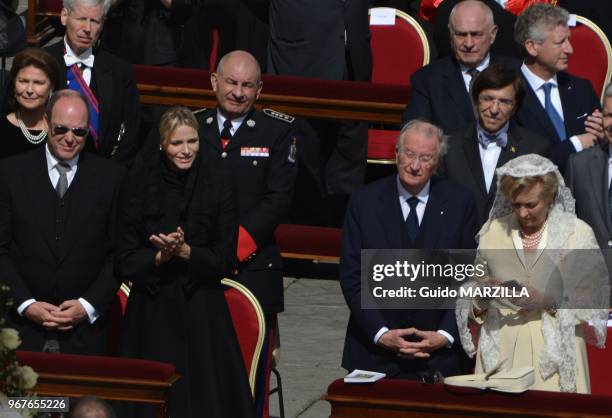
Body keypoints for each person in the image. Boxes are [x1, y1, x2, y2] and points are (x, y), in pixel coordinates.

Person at [116, 106, 254, 418]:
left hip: (202, 309)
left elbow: (224, 259)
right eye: (177, 143)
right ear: (162, 144)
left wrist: (187, 252)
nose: (186, 150)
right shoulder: (137, 181)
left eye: (192, 142)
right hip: (151, 310)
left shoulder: (218, 181)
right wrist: (159, 256)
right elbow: (124, 261)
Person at [196, 50, 296, 416]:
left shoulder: (278, 131)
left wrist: (230, 249)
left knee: (249, 370)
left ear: (259, 89)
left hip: (251, 268)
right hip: (199, 265)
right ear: (214, 82)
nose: (238, 93)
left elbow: (277, 201)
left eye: (247, 86)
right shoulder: (192, 128)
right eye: (231, 83)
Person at [456, 154, 609, 393]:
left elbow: (595, 300)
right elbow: (473, 297)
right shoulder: (493, 232)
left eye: (531, 205)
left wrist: (546, 301)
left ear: (550, 197)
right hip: (501, 355)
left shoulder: (577, 233)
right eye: (516, 205)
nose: (523, 213)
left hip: (553, 358)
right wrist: (482, 298)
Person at [340, 120, 479, 379]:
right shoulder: (364, 202)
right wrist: (381, 334)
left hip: (438, 355)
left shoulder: (461, 203)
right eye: (409, 154)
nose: (415, 166)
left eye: (425, 158)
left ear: (437, 162)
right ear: (396, 153)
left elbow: (468, 277)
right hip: (374, 353)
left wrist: (446, 335)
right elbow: (352, 275)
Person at [0, 89, 124, 355]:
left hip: (85, 336)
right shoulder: (10, 173)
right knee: (23, 400)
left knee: (81, 400)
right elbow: (1, 249)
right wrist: (25, 304)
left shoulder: (111, 178)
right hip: (20, 329)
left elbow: (119, 254)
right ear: (46, 123)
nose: (70, 138)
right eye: (61, 129)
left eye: (79, 132)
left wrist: (87, 305)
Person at [266, 0, 372, 225]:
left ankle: (343, 240)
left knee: (349, 162)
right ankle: (307, 246)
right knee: (304, 169)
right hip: (299, 62)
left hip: (352, 62)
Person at [442, 63, 549, 225]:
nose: (494, 109)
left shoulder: (535, 148)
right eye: (488, 99)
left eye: (504, 102)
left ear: (515, 107)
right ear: (476, 100)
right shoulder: (449, 145)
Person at [45, 0, 141, 165]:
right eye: (81, 19)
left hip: (103, 171)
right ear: (64, 16)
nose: (88, 29)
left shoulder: (119, 70)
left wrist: (110, 172)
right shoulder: (42, 62)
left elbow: (133, 130)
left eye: (95, 21)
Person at [402, 0, 519, 133]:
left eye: (476, 34)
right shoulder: (427, 80)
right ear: (450, 34)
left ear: (492, 34)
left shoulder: (517, 73)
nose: (468, 43)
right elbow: (414, 135)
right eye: (461, 34)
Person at [513, 3, 603, 169]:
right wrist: (575, 143)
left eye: (568, 40)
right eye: (560, 42)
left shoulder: (582, 89)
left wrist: (604, 131)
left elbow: (599, 150)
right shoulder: (509, 94)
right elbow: (522, 161)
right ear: (532, 47)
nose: (570, 49)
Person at [0, 48, 60, 159]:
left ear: (51, 86)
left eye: (38, 83)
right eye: (23, 81)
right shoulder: (2, 129)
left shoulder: (64, 130)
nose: (29, 90)